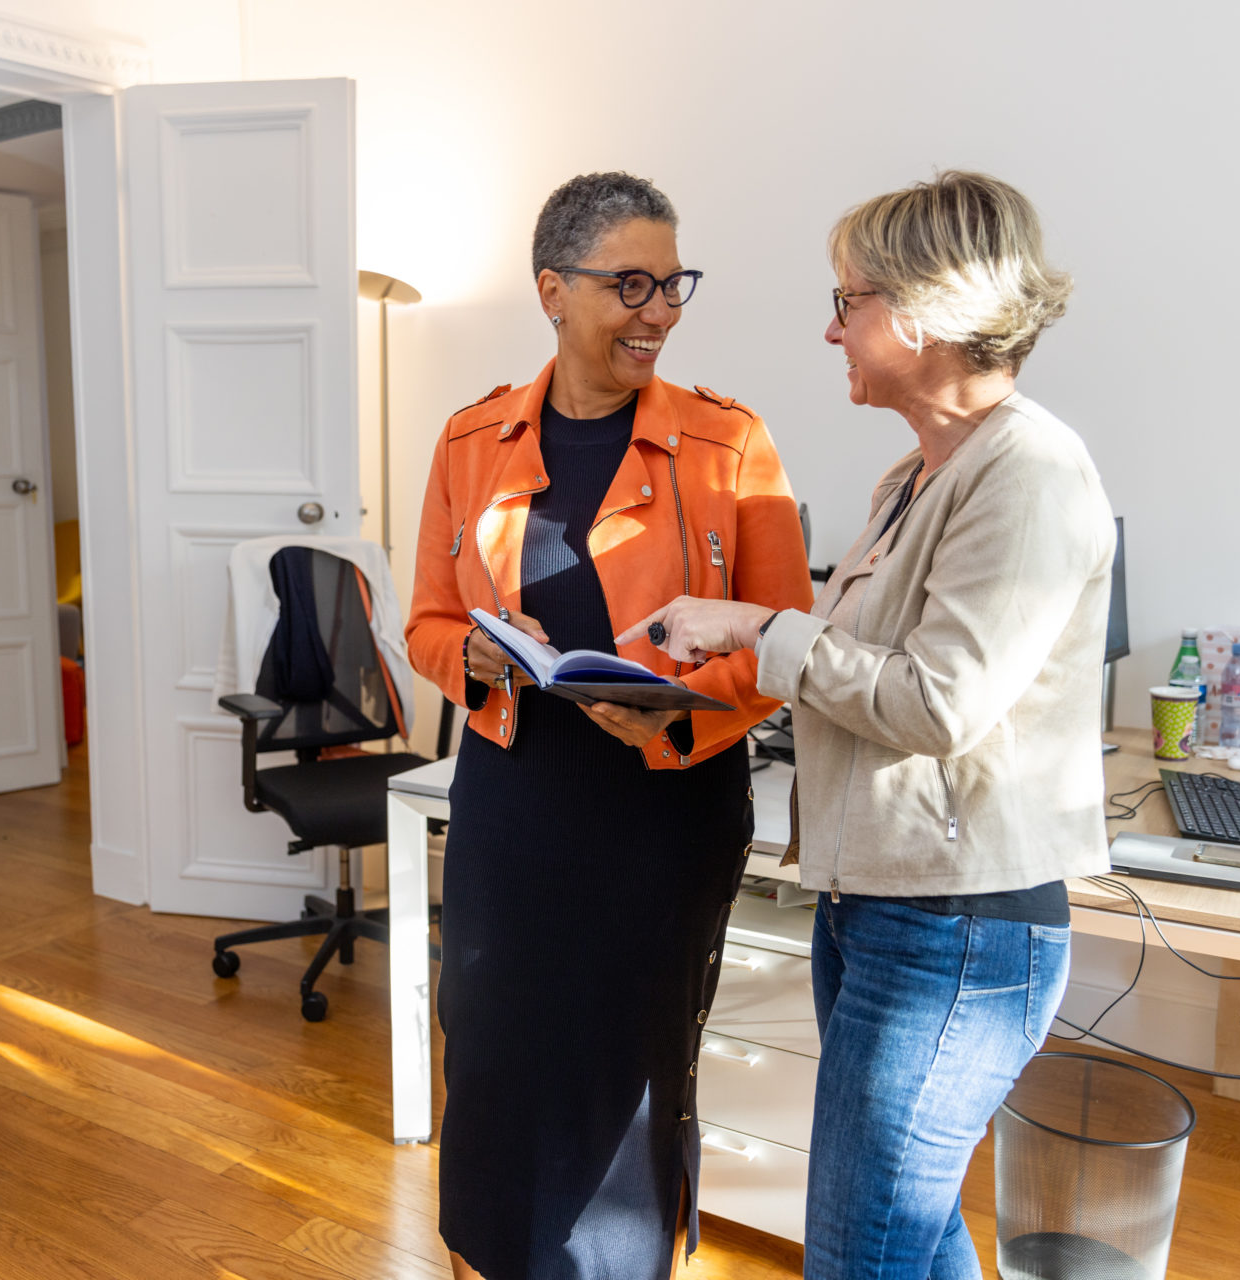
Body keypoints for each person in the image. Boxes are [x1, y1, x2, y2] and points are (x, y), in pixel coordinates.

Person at [619, 171, 1115, 1278]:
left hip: (958, 931)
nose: (830, 325)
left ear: (930, 307)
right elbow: (866, 669)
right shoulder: (915, 473)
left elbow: (941, 701)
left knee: (860, 1252)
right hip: (879, 907)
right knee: (913, 1236)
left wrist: (758, 625)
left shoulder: (1029, 471)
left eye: (849, 300)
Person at [406, 172, 814, 1280]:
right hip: (513, 804)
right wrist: (475, 657)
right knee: (489, 1045)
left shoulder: (732, 445)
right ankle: (484, 1254)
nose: (659, 310)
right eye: (629, 282)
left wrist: (675, 722)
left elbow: (782, 647)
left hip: (663, 813)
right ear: (553, 289)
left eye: (671, 282)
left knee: (630, 1067)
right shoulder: (469, 438)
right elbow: (427, 626)